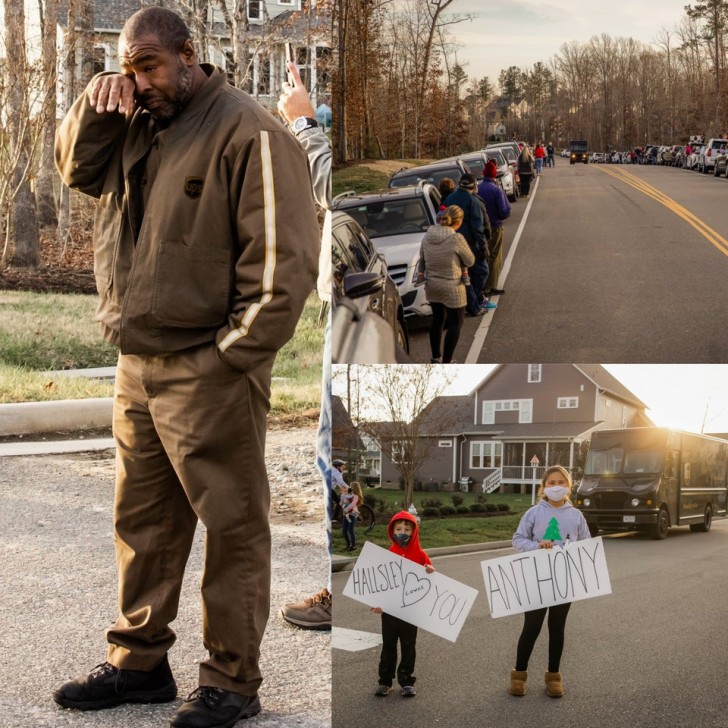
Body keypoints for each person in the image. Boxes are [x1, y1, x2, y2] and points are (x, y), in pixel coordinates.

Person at [53, 8, 320, 728]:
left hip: (209, 367)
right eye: (126, 67)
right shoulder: (136, 119)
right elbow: (75, 169)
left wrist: (225, 359)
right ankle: (139, 664)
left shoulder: (250, 132)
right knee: (142, 522)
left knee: (231, 527)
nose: (138, 81)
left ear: (188, 54)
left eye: (147, 66)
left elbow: (283, 273)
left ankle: (232, 681)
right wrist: (98, 101)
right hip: (136, 360)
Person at [276, 60, 333, 631]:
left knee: (332, 451)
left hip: (354, 318)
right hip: (343, 308)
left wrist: (304, 124)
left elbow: (332, 188)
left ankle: (344, 585)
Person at [508, 466, 591, 699]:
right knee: (531, 628)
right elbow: (517, 539)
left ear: (569, 486)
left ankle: (553, 677)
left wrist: (572, 550)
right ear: (544, 487)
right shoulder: (534, 512)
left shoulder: (576, 516)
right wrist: (537, 546)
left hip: (564, 581)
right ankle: (518, 675)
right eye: (551, 482)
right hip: (536, 579)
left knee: (557, 628)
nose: (556, 486)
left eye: (561, 482)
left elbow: (587, 544)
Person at [371, 511, 436, 697]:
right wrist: (377, 603)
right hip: (390, 610)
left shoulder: (421, 555)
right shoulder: (388, 554)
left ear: (414, 531)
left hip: (411, 611)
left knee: (409, 646)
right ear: (392, 530)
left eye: (407, 529)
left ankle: (406, 681)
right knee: (388, 646)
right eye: (398, 529)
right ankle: (385, 681)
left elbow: (430, 578)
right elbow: (381, 583)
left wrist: (430, 570)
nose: (402, 533)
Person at [416, 204, 474, 364]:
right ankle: (447, 362)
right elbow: (470, 260)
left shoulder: (428, 235)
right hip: (452, 286)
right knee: (456, 323)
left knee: (437, 319)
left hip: (433, 285)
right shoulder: (456, 238)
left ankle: (436, 357)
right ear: (458, 221)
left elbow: (422, 257)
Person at [443, 174, 490, 317]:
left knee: (464, 273)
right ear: (473, 185)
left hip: (451, 241)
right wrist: (483, 246)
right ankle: (473, 302)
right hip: (469, 244)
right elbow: (477, 227)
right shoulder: (472, 200)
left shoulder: (449, 198)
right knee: (481, 271)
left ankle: (471, 303)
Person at [477, 161, 511, 299]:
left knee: (483, 255)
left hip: (480, 227)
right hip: (495, 226)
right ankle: (491, 285)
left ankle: (482, 284)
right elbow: (504, 211)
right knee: (494, 256)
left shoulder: (478, 189)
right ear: (494, 174)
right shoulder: (496, 190)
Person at [340, 481, 362, 551]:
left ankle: (353, 546)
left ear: (353, 488)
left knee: (350, 530)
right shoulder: (347, 494)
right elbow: (343, 502)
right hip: (345, 514)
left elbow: (352, 504)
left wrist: (346, 509)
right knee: (344, 530)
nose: (348, 487)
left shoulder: (356, 496)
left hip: (352, 514)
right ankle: (348, 544)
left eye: (350, 486)